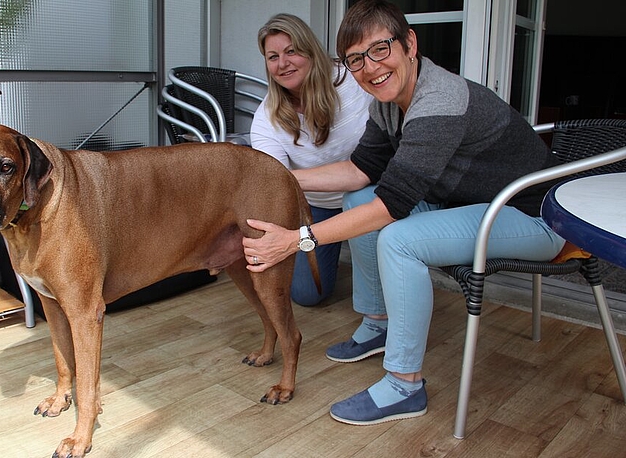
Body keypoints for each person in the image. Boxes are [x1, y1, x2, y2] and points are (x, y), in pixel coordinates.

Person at [242, 0, 566, 425]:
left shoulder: (439, 101)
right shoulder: (386, 102)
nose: (370, 67)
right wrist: (284, 179)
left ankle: (404, 384)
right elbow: (361, 172)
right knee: (359, 199)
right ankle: (378, 324)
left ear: (409, 43)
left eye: (380, 49)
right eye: (356, 59)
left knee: (399, 238)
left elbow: (393, 206)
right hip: (472, 204)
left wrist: (296, 239)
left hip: (534, 216)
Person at [250, 13, 373, 306]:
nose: (283, 63)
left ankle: (374, 299)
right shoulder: (267, 118)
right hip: (315, 205)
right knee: (307, 294)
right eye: (273, 56)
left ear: (311, 50)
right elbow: (273, 183)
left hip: (369, 196)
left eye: (292, 51)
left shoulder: (354, 84)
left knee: (381, 273)